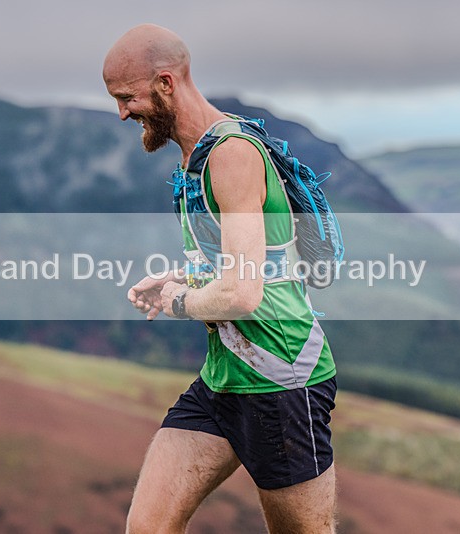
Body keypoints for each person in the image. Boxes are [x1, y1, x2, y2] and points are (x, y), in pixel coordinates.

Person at [103, 24, 338, 534]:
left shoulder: (230, 155)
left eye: (127, 98)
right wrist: (178, 277)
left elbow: (242, 292)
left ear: (166, 83)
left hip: (281, 383)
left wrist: (178, 300)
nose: (122, 113)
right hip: (223, 380)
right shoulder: (197, 155)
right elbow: (246, 261)